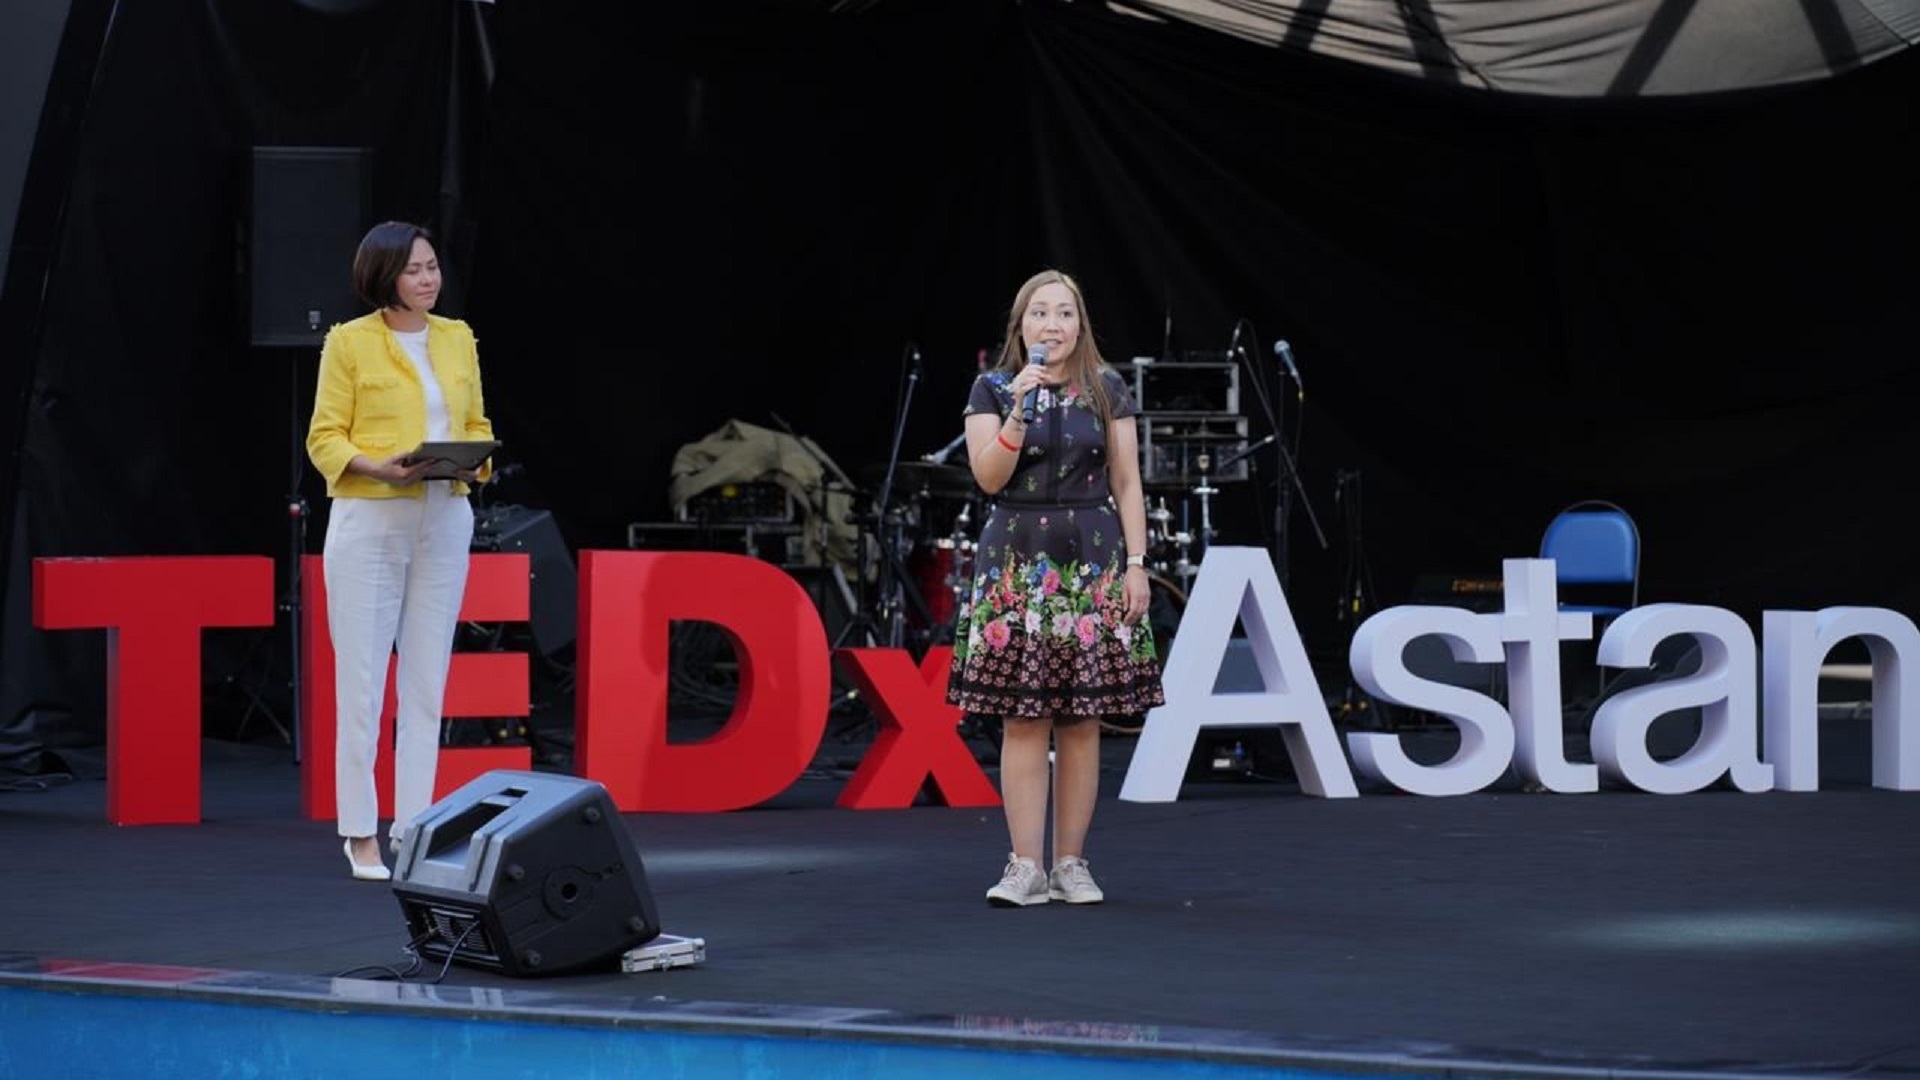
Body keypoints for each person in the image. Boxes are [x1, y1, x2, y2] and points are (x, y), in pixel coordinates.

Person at [947, 269, 1164, 907]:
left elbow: (1127, 481)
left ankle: (1071, 864)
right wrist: (1018, 410)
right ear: (1021, 327)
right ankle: (1024, 867)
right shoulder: (992, 388)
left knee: (1080, 716)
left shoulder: (1106, 388)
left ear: (1080, 324)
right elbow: (989, 477)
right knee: (1022, 715)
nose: (1052, 324)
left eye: (1064, 313)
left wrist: (1137, 563)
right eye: (1039, 313)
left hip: (1090, 560)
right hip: (1016, 560)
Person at [306, 221, 494, 882]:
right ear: (383, 275)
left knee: (426, 682)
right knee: (363, 685)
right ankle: (360, 832)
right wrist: (377, 466)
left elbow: (475, 423)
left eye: (432, 266)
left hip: (445, 514)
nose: (427, 279)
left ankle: (416, 827)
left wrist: (475, 460)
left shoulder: (458, 336)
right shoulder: (349, 341)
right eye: (414, 269)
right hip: (371, 516)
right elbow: (324, 437)